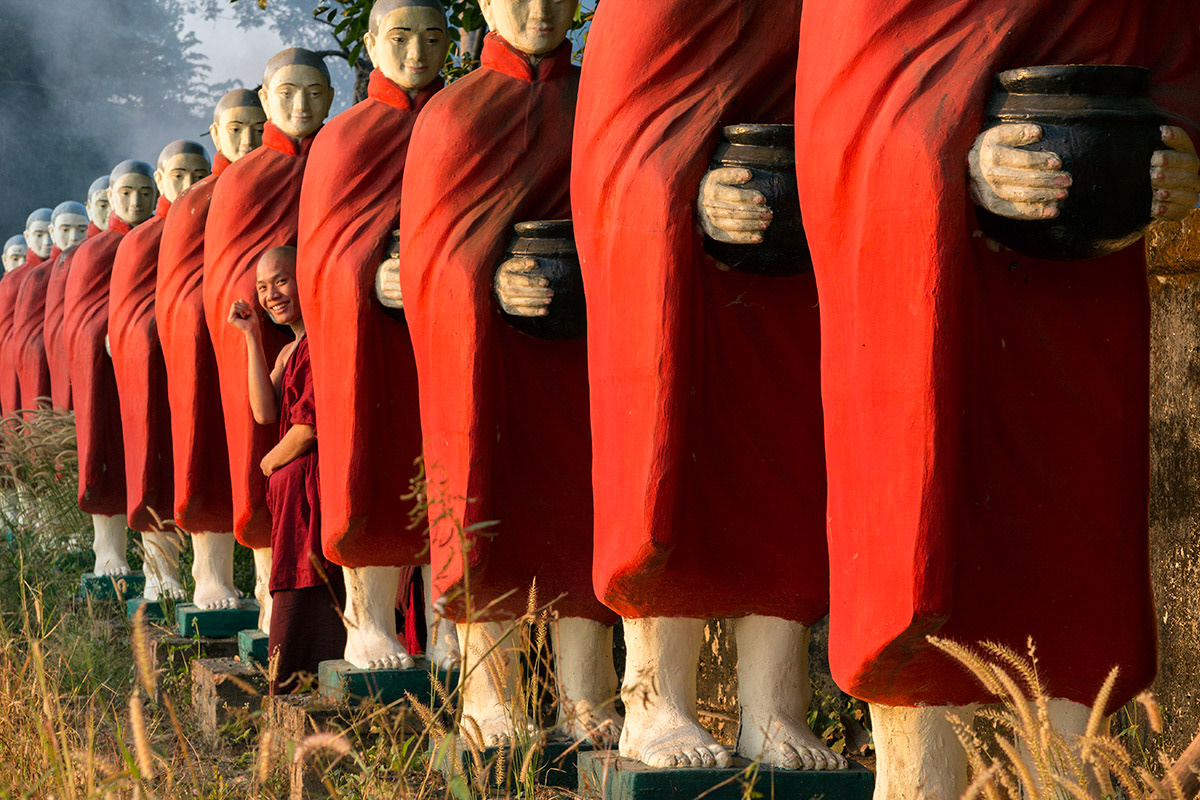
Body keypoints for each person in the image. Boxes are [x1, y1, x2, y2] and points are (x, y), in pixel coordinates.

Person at [227, 246, 345, 695]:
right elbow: (263, 410)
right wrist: (251, 336)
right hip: (292, 498)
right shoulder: (291, 350)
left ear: (304, 279)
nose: (271, 294)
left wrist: (269, 462)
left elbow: (307, 429)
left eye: (281, 281)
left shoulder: (322, 338)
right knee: (294, 587)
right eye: (262, 288)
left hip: (313, 489)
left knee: (311, 590)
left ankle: (307, 682)